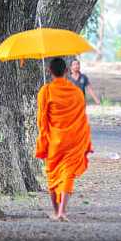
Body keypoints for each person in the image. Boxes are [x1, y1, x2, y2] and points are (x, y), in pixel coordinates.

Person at [35, 58, 93, 221]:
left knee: (53, 175)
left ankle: (55, 211)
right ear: (67, 71)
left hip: (54, 140)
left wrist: (43, 138)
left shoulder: (45, 91)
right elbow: (82, 117)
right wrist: (85, 139)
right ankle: (62, 210)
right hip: (73, 139)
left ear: (49, 72)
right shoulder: (76, 92)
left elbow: (41, 120)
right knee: (68, 173)